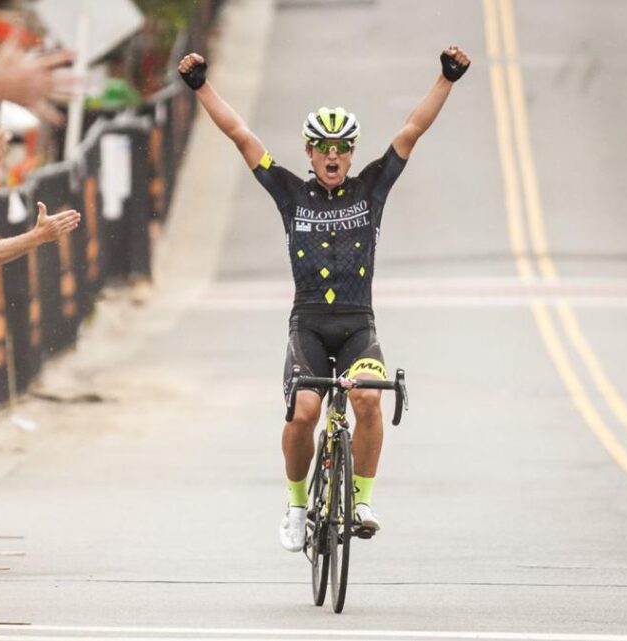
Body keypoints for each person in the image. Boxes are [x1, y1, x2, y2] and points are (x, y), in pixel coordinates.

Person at [177, 45, 470, 550]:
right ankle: (295, 507)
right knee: (304, 415)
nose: (332, 156)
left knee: (368, 400)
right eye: (322, 147)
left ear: (351, 154)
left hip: (358, 325)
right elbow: (240, 135)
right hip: (309, 326)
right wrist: (202, 86)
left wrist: (445, 79)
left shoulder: (371, 189)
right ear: (310, 153)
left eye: (341, 148)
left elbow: (410, 132)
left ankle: (360, 498)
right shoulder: (290, 193)